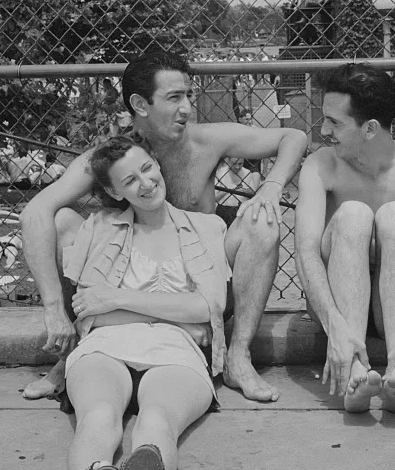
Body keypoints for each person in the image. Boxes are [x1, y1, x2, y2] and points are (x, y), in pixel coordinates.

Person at [20, 49, 307, 404]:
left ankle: (237, 356)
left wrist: (271, 187)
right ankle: (72, 353)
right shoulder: (110, 157)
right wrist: (52, 308)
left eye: (188, 94)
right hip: (128, 285)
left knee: (260, 222)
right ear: (141, 104)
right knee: (62, 221)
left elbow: (293, 137)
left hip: (200, 284)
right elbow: (34, 213)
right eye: (174, 98)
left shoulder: (206, 140)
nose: (187, 107)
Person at [51, 135, 229, 470]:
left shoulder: (207, 226)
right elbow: (88, 310)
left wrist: (116, 298)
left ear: (158, 164)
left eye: (148, 168)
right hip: (105, 344)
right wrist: (174, 307)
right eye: (130, 181)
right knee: (98, 415)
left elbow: (210, 306)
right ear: (114, 191)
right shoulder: (98, 228)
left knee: (157, 419)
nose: (146, 183)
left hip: (174, 351)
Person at [294, 64, 395, 414]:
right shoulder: (320, 165)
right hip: (334, 305)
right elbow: (304, 254)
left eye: (335, 122)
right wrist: (333, 323)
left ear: (369, 129)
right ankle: (354, 373)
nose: (323, 130)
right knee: (352, 214)